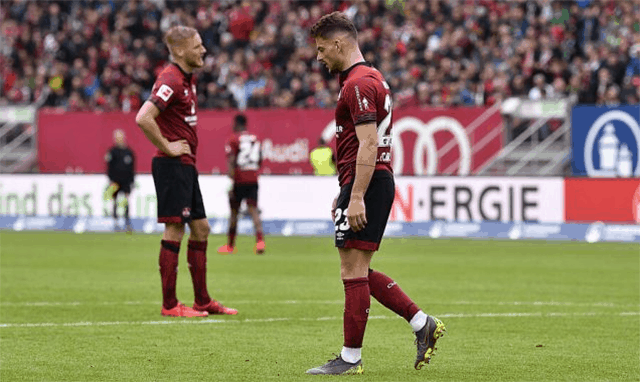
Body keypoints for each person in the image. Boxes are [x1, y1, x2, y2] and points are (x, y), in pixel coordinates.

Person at [306, 12, 446, 375]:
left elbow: (368, 145)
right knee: (357, 270)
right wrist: (346, 191)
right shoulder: (368, 78)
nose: (319, 57)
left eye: (322, 49)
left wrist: (355, 196)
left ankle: (350, 358)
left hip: (368, 182)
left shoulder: (358, 83)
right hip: (365, 181)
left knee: (352, 270)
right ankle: (421, 323)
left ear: (339, 43)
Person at [135, 25, 237, 318]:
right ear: (179, 50)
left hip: (185, 166)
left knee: (201, 229)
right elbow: (144, 117)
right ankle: (170, 305)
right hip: (171, 165)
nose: (203, 50)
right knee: (175, 228)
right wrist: (167, 146)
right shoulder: (170, 78)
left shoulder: (186, 79)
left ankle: (202, 300)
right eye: (197, 46)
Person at [218, 114, 266, 255]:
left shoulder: (233, 139)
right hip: (253, 177)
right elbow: (260, 158)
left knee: (234, 213)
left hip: (239, 179)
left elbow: (232, 160)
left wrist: (232, 181)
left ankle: (230, 246)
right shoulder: (255, 139)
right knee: (254, 210)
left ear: (237, 124)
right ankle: (260, 242)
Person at [104, 129, 135, 232]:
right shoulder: (112, 152)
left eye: (120, 137)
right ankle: (115, 222)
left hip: (126, 181)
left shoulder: (129, 152)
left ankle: (127, 222)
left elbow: (132, 168)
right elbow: (109, 167)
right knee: (115, 201)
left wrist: (132, 181)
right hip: (115, 181)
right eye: (117, 137)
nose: (118, 139)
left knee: (126, 201)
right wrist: (111, 179)